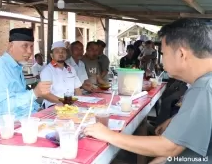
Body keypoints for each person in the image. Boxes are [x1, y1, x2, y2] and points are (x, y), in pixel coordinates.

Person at [84, 18, 212, 164]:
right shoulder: (205, 83)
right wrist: (176, 120)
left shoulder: (203, 88)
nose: (161, 60)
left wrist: (107, 134)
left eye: (163, 54)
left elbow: (169, 148)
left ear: (181, 54)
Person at [0, 28, 51, 128]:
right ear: (11, 46)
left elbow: (20, 95)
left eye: (31, 46)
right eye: (25, 46)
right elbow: (4, 108)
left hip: (25, 120)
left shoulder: (17, 67)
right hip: (6, 129)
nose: (29, 51)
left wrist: (37, 108)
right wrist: (34, 93)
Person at [40, 41, 82, 108]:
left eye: (63, 51)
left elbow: (77, 89)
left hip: (71, 104)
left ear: (66, 54)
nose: (61, 54)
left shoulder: (71, 69)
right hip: (53, 105)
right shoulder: (47, 71)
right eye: (57, 52)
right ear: (51, 55)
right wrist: (63, 102)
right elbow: (46, 94)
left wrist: (79, 103)